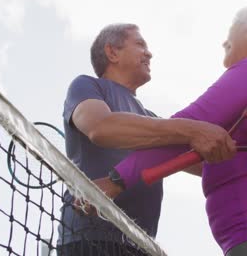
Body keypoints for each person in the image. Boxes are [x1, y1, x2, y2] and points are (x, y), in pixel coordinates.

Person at [93, 2, 247, 256]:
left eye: (232, 29)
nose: (225, 42)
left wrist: (116, 180)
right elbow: (229, 153)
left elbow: (183, 128)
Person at [57, 23, 237, 256]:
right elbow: (100, 127)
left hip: (140, 245)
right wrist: (191, 129)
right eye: (140, 44)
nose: (149, 53)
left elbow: (209, 161)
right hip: (89, 238)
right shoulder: (87, 85)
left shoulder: (152, 120)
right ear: (112, 52)